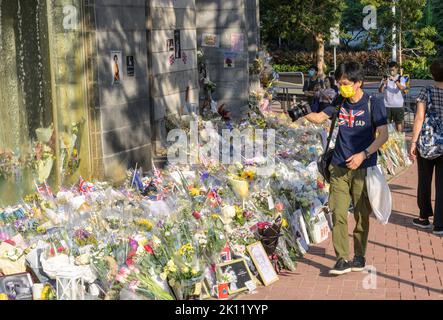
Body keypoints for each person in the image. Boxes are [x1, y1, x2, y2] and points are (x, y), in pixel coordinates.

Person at [303, 61, 389, 275]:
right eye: (340, 83)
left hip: (363, 168)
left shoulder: (373, 103)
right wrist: (301, 112)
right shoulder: (340, 101)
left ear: (359, 83)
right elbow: (319, 117)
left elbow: (384, 135)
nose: (342, 87)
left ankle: (359, 255)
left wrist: (364, 154)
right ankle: (342, 258)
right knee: (338, 212)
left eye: (346, 83)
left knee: (361, 215)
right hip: (338, 167)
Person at [408, 58, 443, 236]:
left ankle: (423, 217)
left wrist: (413, 141)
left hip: (427, 144)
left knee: (424, 180)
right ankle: (440, 224)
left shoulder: (425, 91)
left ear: (432, 73)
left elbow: (419, 118)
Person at [379, 61, 407, 132]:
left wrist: (395, 80)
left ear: (396, 69)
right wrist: (383, 84)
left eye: (393, 70)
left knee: (399, 123)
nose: (391, 72)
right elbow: (380, 91)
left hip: (398, 105)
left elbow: (402, 88)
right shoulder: (385, 78)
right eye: (390, 70)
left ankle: (399, 140)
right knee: (386, 124)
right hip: (387, 104)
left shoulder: (401, 78)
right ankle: (388, 140)